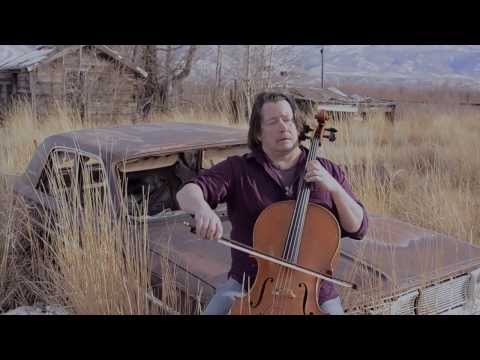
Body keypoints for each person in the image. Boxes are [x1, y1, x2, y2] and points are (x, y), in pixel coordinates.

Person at [176, 91, 368, 315]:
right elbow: (186, 193)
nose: (283, 127)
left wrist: (334, 187)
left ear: (297, 126)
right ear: (258, 132)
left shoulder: (329, 171)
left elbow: (359, 228)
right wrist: (202, 210)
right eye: (273, 121)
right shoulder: (238, 169)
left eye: (287, 119)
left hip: (315, 293)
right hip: (249, 287)